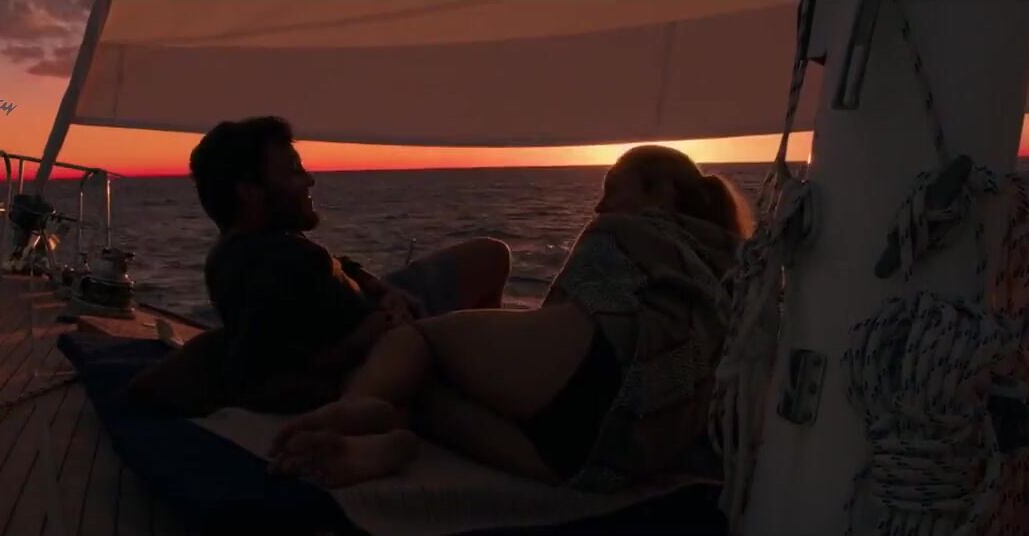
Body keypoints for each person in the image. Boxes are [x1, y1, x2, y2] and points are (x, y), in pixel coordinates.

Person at [268, 145, 754, 491]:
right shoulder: (738, 267)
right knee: (425, 397)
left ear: (662, 193)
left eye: (612, 189)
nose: (600, 205)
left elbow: (579, 315)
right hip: (611, 462)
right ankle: (384, 443)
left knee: (418, 342)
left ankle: (358, 411)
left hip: (602, 379)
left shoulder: (630, 231)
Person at [188, 116, 511, 413]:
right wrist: (378, 327)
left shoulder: (259, 243)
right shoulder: (267, 269)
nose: (309, 180)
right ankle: (485, 383)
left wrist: (377, 287)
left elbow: (342, 266)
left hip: (378, 304)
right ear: (250, 192)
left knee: (491, 255)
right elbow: (279, 371)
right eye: (293, 171)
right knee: (494, 285)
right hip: (387, 344)